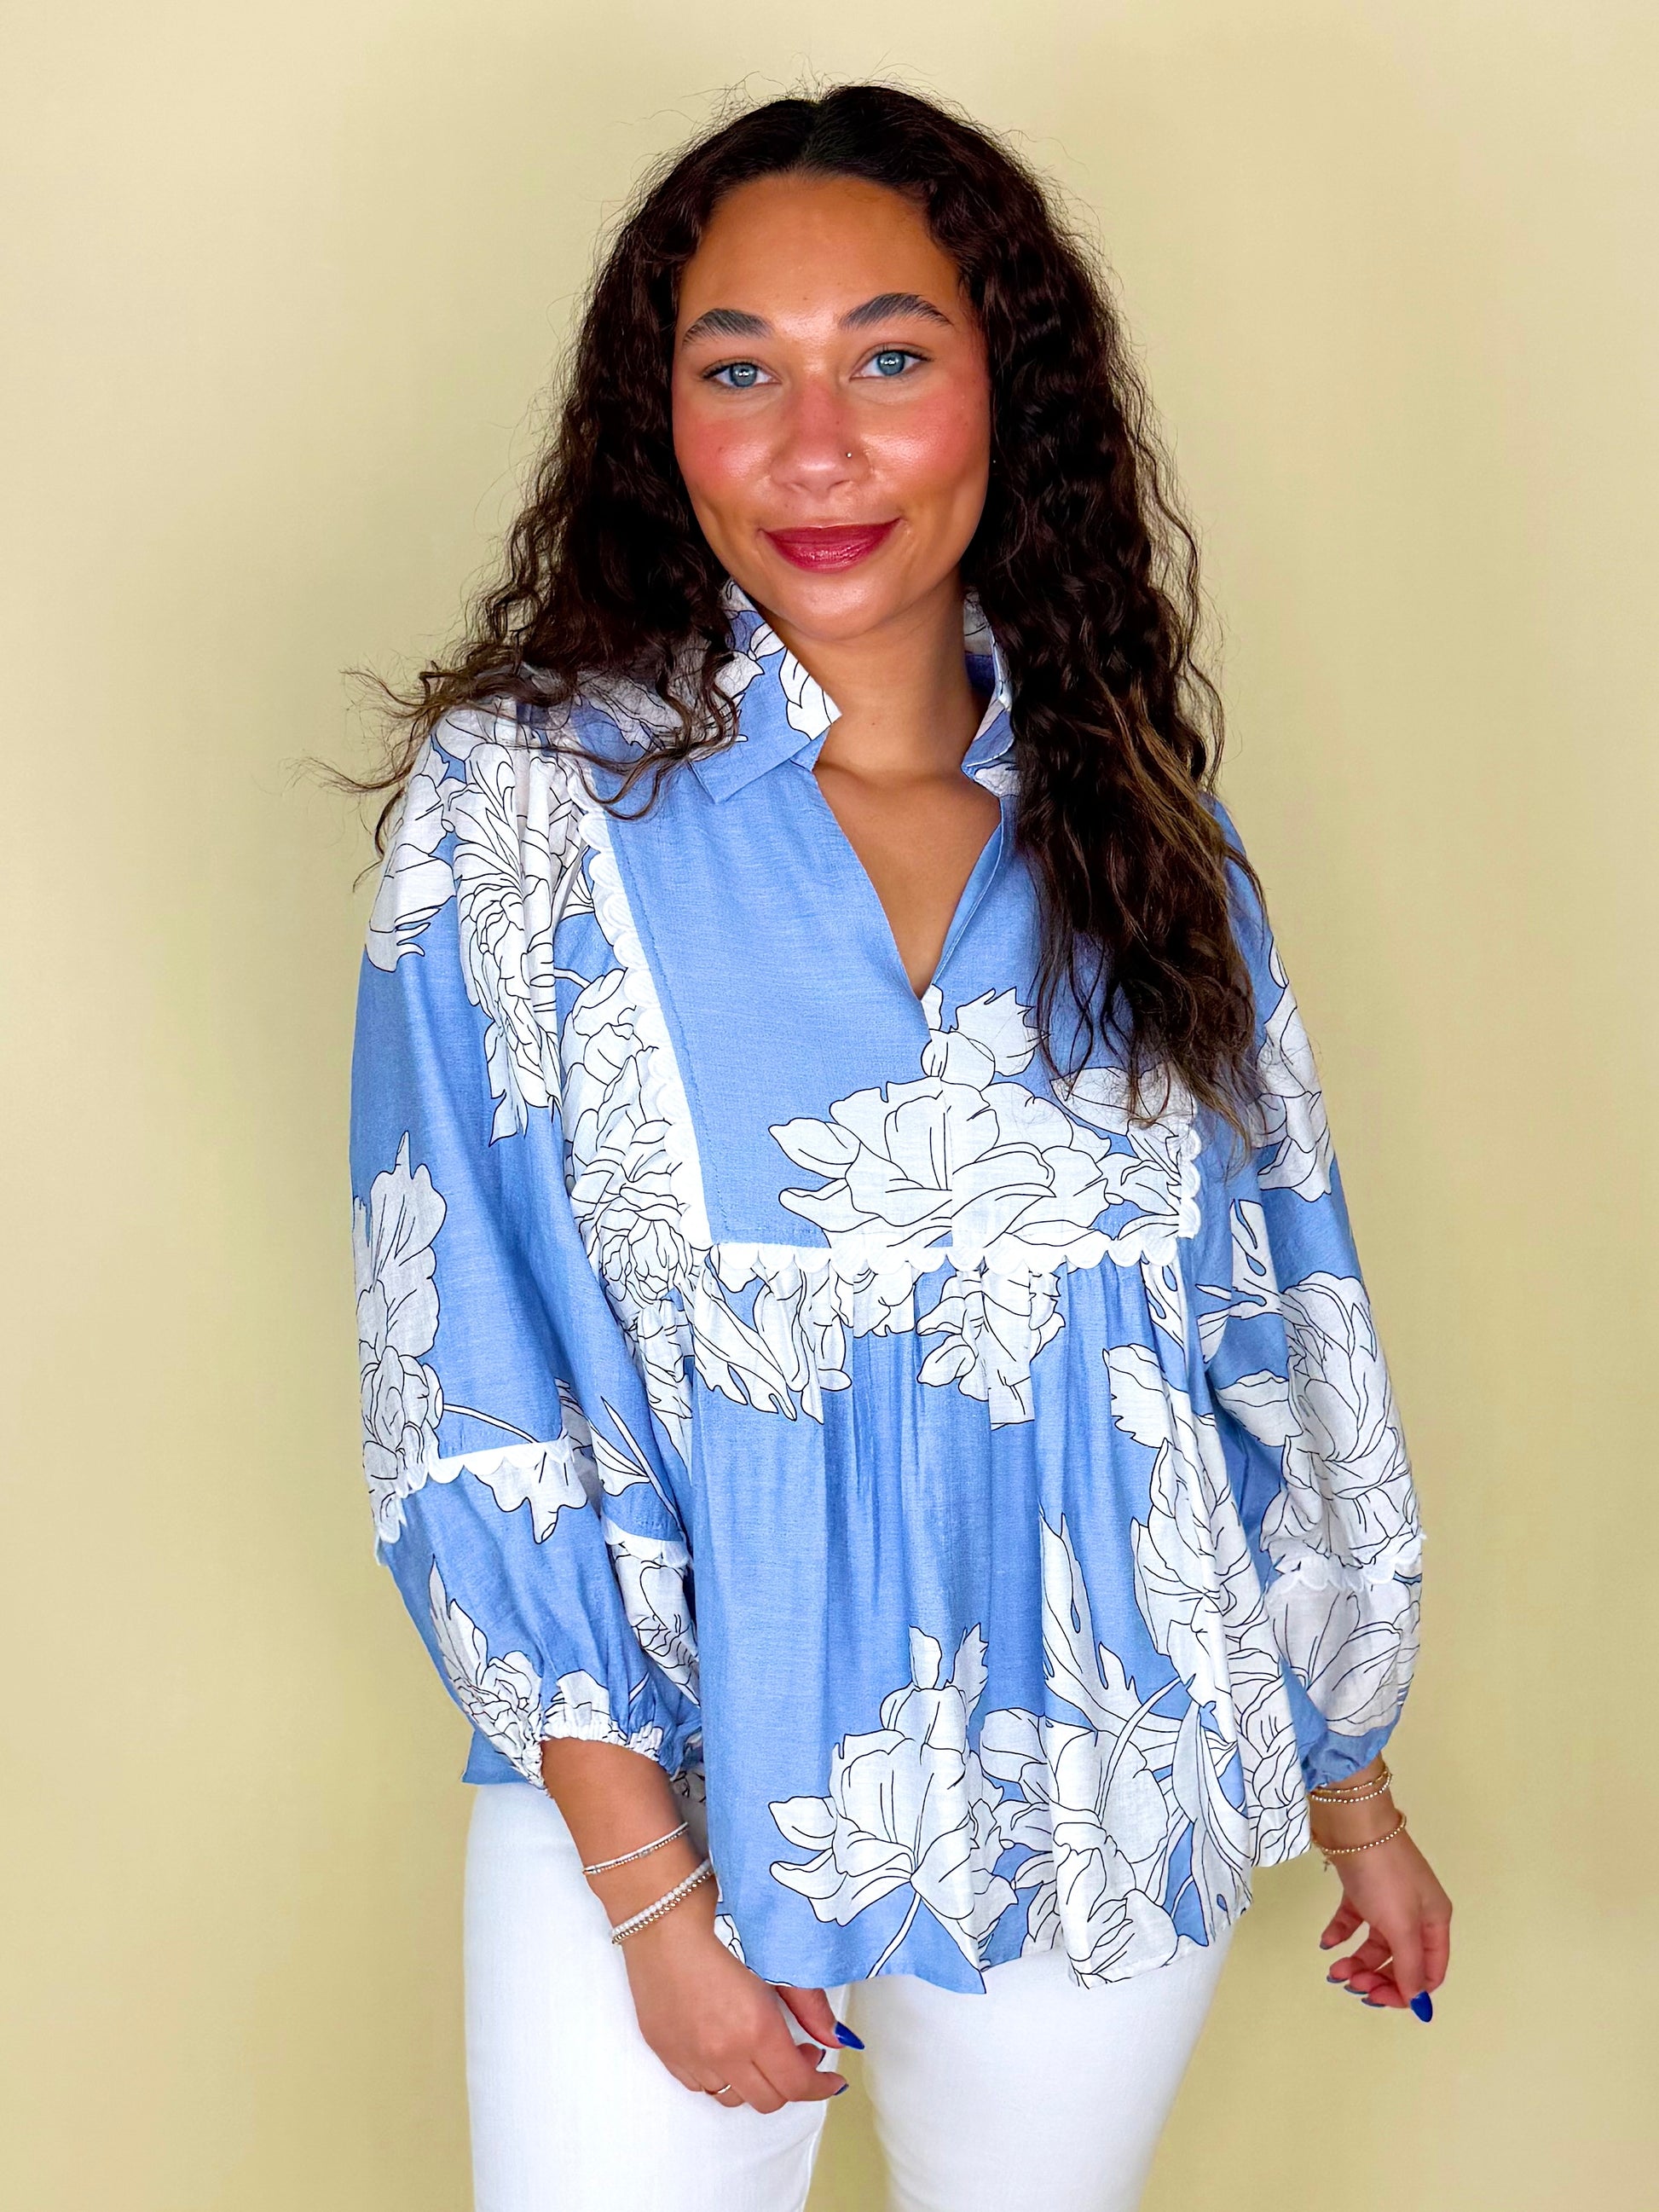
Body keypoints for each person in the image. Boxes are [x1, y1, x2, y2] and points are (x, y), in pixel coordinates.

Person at [344, 83, 1452, 2212]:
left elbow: (1269, 1314)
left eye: (887, 358)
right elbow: (457, 1351)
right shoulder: (525, 810)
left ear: (1003, 391)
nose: (814, 447)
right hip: (660, 1773)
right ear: (659, 420)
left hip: (1108, 1761)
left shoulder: (1146, 830)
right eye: (737, 370)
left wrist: (1355, 1789)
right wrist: (653, 1898)